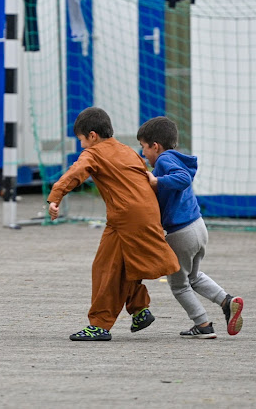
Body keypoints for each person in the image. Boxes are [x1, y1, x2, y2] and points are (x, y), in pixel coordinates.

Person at [47, 107, 180, 341]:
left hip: (125, 216)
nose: (81, 146)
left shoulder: (94, 153)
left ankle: (99, 325)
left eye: (81, 140)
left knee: (105, 269)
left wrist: (56, 196)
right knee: (127, 263)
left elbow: (75, 173)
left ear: (92, 135)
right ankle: (139, 310)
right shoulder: (127, 151)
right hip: (147, 211)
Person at [137, 116, 244, 339]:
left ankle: (203, 324)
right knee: (194, 277)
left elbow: (183, 178)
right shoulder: (172, 158)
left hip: (181, 234)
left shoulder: (165, 160)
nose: (143, 154)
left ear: (155, 146)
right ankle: (227, 301)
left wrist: (156, 182)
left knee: (179, 285)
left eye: (143, 148)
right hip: (198, 228)